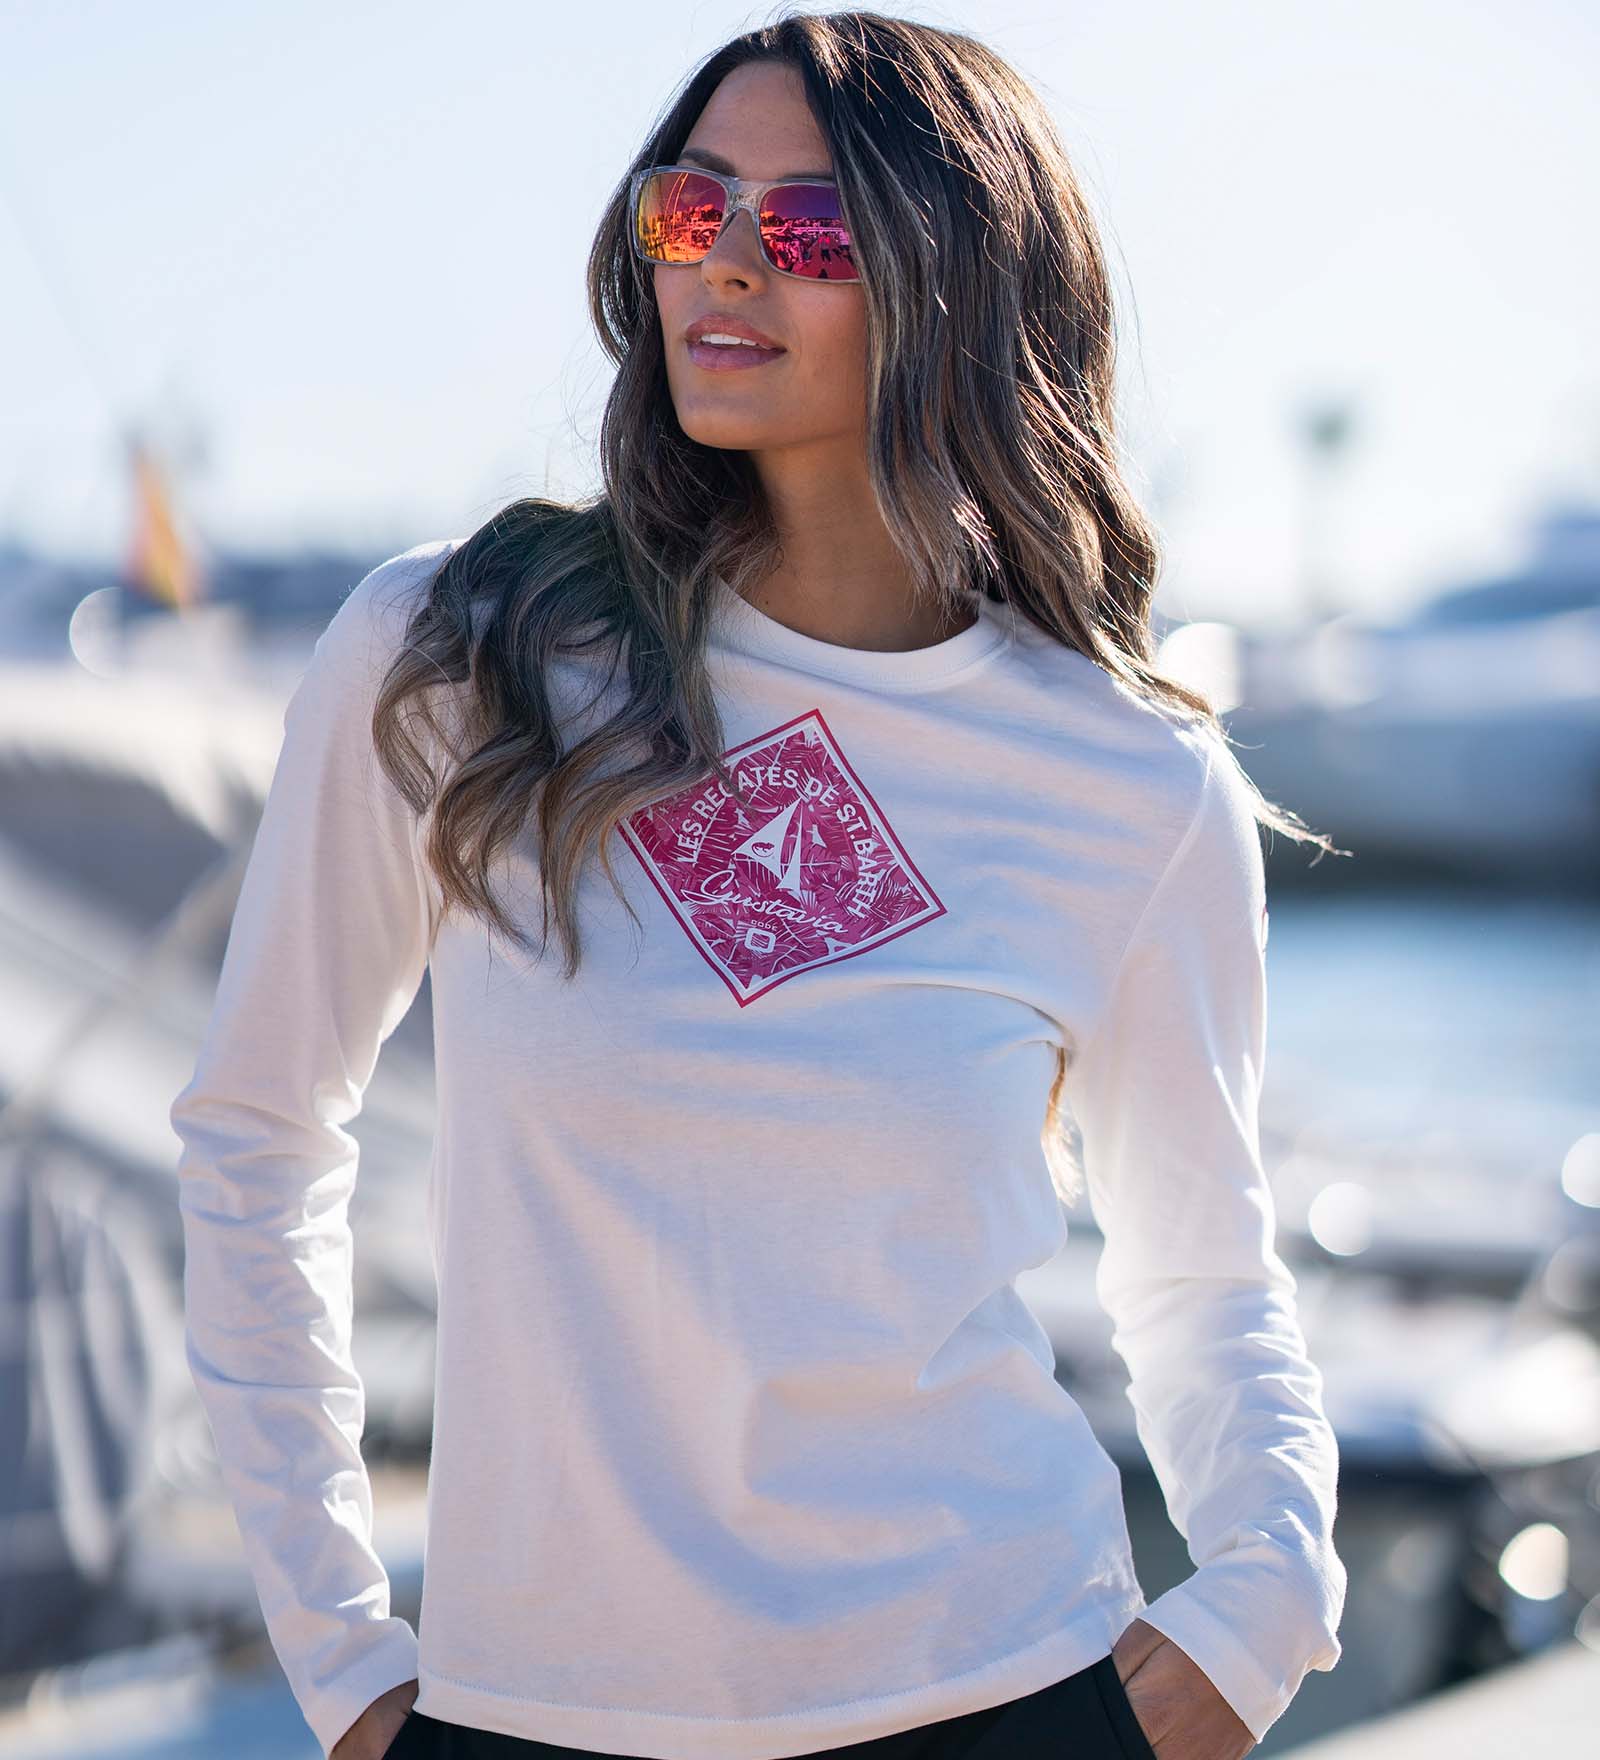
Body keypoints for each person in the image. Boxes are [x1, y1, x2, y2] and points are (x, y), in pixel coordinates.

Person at [171, 12, 1348, 1760]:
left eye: (807, 231)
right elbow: (259, 1136)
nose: (723, 261)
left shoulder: (1131, 787)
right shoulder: (466, 654)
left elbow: (1200, 1276)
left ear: (960, 290)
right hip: (529, 1714)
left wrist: (1263, 1607)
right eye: (687, 208)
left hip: (1000, 1688)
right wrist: (340, 1658)